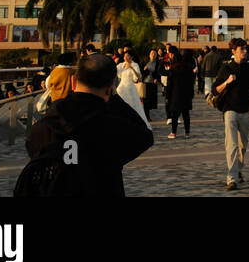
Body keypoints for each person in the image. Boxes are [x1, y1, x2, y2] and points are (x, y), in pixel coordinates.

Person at [17, 53, 154, 197]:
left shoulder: (44, 126)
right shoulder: (112, 126)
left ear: (73, 81)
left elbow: (32, 149)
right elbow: (145, 137)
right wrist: (114, 98)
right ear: (110, 88)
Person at [213, 38, 249, 191]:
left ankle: (238, 170)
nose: (245, 52)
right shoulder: (226, 68)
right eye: (242, 49)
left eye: (245, 49)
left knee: (242, 145)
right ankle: (231, 178)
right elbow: (215, 89)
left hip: (246, 110)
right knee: (232, 145)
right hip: (230, 110)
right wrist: (227, 81)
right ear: (234, 51)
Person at [165, 49, 196, 139]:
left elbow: (169, 85)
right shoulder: (189, 69)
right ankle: (187, 133)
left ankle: (173, 132)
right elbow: (191, 83)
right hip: (186, 94)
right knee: (186, 114)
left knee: (175, 115)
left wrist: (167, 96)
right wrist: (191, 94)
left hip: (176, 94)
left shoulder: (173, 69)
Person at [116, 51, 148, 126]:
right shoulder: (121, 65)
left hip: (130, 86)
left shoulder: (135, 64)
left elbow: (138, 77)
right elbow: (116, 72)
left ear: (131, 57)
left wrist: (132, 68)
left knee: (132, 104)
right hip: (122, 87)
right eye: (124, 56)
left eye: (127, 56)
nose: (126, 58)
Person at [142, 49, 163, 122]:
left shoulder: (158, 63)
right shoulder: (145, 62)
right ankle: (146, 116)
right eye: (152, 53)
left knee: (151, 101)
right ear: (149, 55)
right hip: (145, 83)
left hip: (153, 83)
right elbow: (141, 73)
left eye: (154, 53)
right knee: (146, 101)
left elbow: (159, 73)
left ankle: (147, 114)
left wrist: (157, 78)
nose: (153, 55)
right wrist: (144, 70)